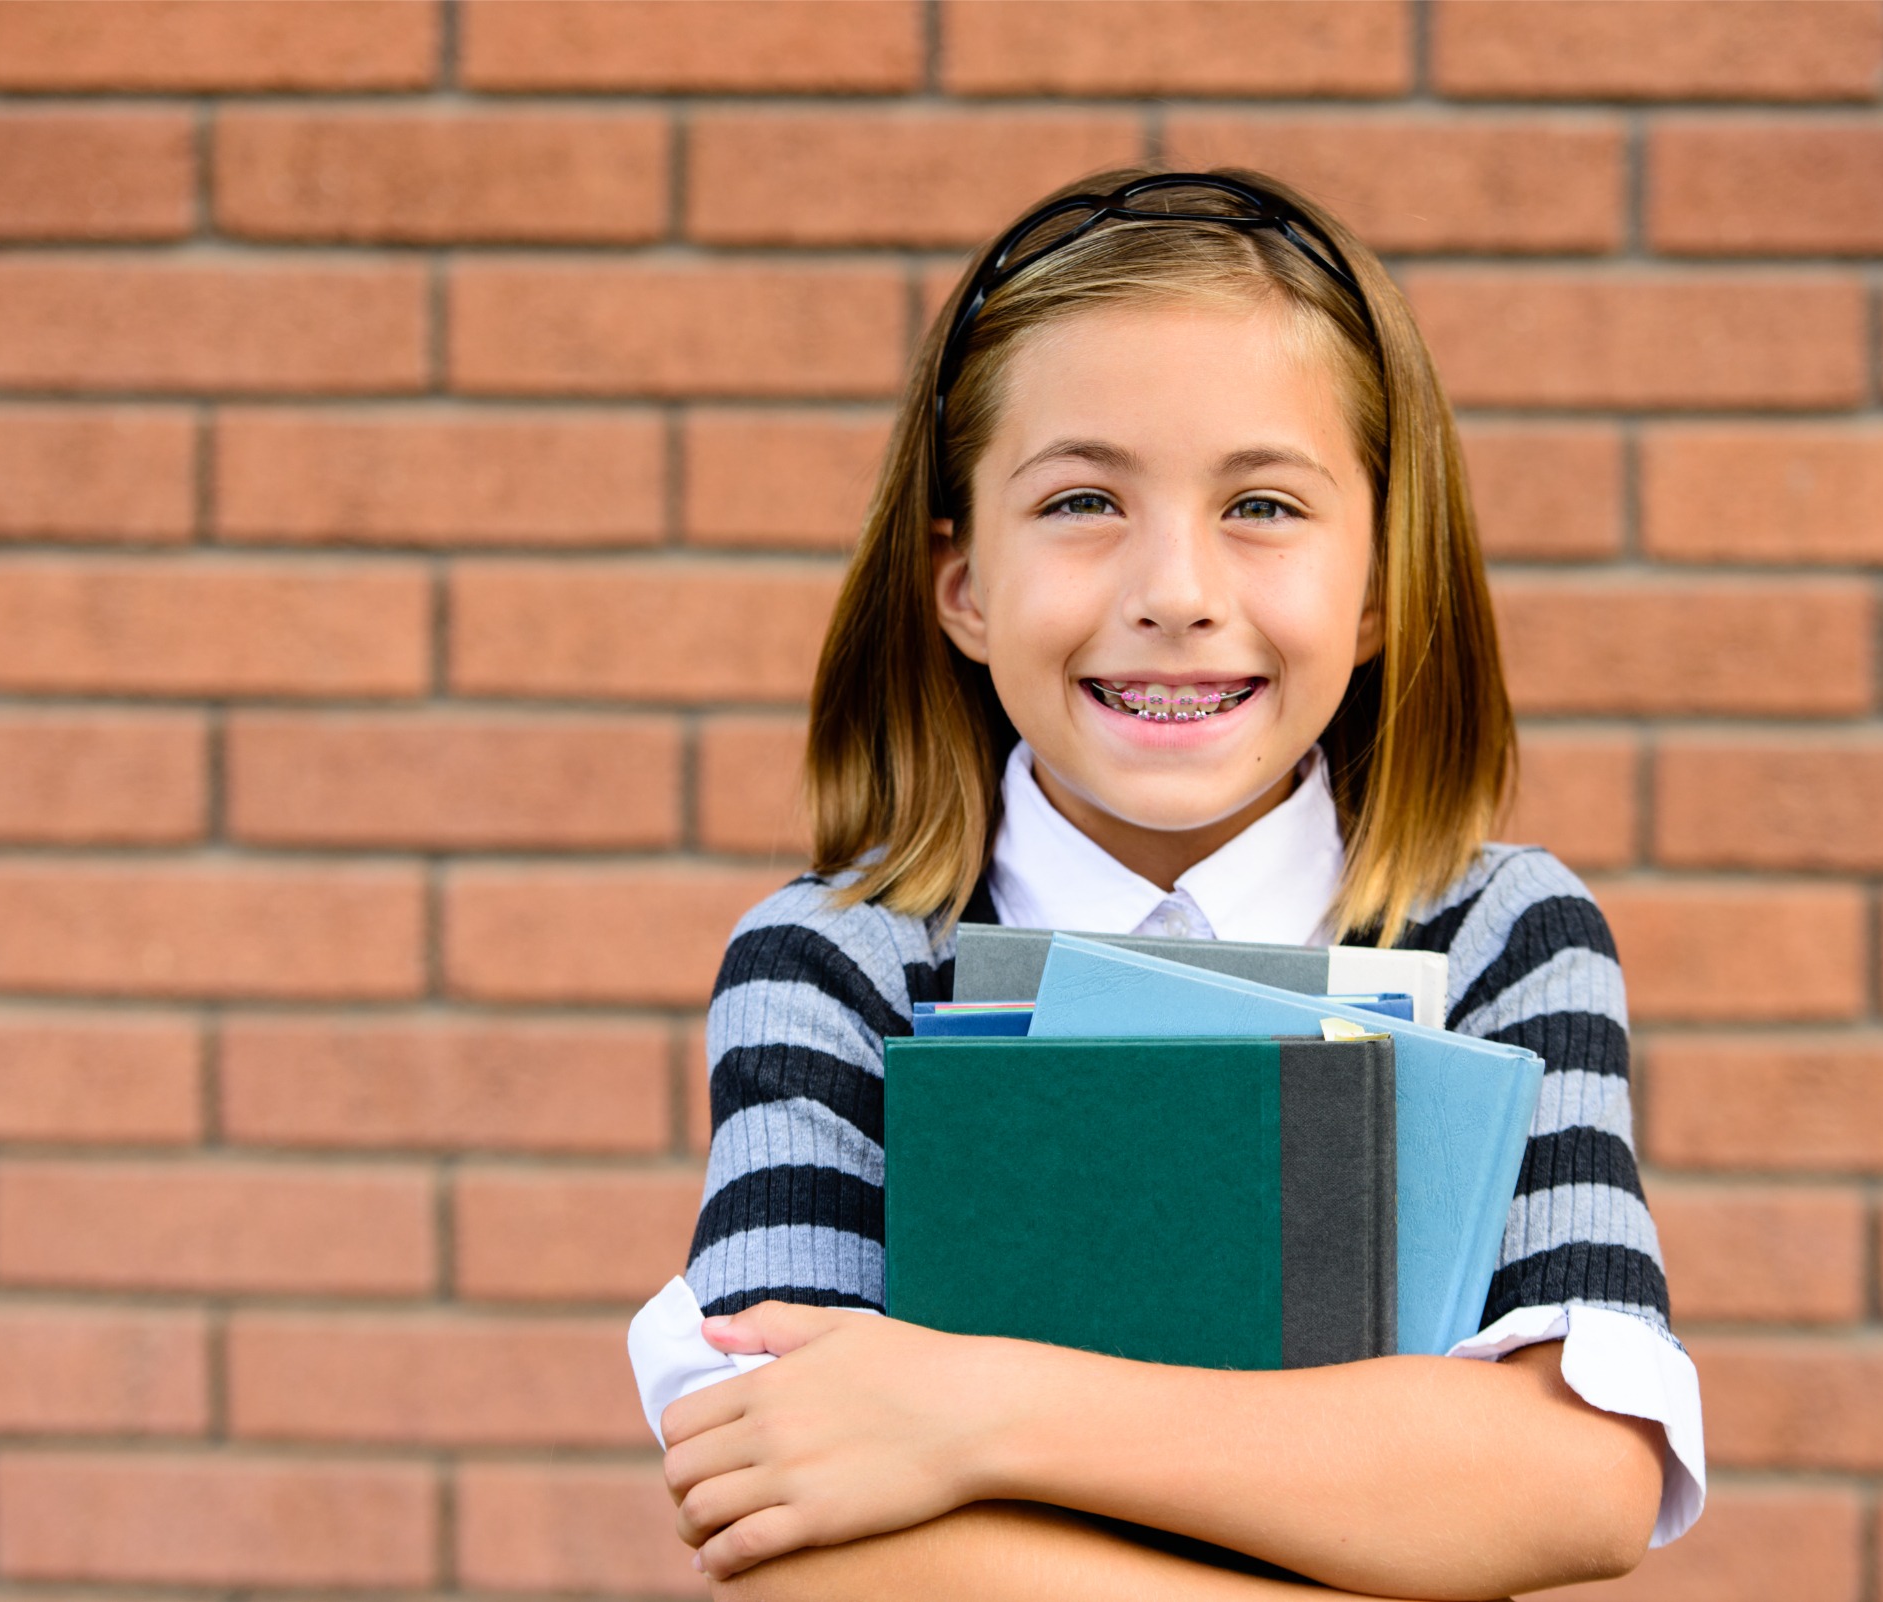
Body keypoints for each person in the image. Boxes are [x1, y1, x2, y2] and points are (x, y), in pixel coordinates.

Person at [629, 166, 1705, 1601]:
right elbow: (793, 1534)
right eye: (1083, 498)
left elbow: (1579, 1479)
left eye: (1263, 503)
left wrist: (973, 1412)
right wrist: (1405, 1502)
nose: (1177, 589)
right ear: (960, 582)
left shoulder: (1502, 935)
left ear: (1381, 580)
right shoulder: (835, 964)